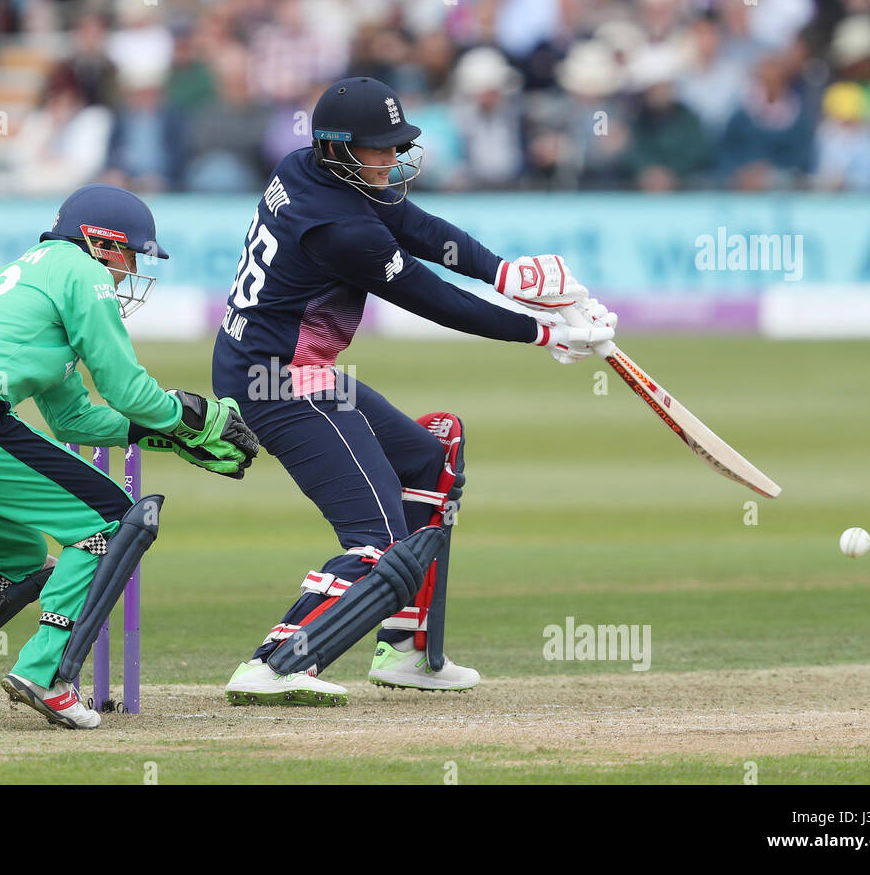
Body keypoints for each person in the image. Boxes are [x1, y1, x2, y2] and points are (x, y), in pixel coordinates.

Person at [212, 77, 615, 707]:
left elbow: (416, 225)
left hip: (295, 370)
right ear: (339, 148)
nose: (393, 159)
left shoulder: (309, 168)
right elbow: (431, 298)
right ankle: (274, 663)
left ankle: (404, 649)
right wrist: (540, 332)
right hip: (277, 384)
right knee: (377, 540)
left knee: (431, 457)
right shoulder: (339, 229)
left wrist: (505, 272)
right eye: (381, 148)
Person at [0, 184, 258, 729]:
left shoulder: (37, 272)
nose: (130, 271)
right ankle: (47, 673)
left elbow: (77, 420)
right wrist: (199, 420)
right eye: (131, 256)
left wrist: (168, 436)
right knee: (113, 519)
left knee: (11, 555)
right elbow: (125, 388)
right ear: (103, 243)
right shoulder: (82, 270)